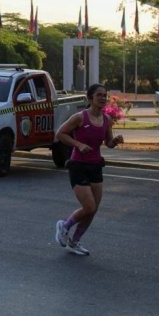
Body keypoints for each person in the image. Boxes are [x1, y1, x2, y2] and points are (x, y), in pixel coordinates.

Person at [54, 83, 123, 255]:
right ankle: (64, 225)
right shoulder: (79, 117)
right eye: (99, 95)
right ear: (90, 98)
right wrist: (78, 144)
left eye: (105, 95)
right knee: (89, 207)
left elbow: (108, 143)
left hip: (95, 166)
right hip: (78, 166)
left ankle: (74, 242)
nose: (102, 98)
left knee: (93, 210)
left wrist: (116, 141)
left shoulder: (107, 120)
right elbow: (60, 134)